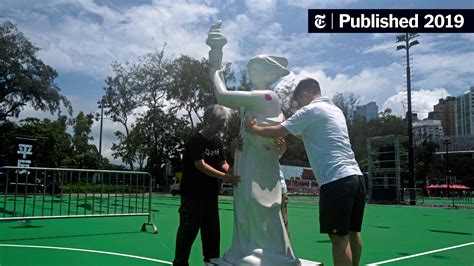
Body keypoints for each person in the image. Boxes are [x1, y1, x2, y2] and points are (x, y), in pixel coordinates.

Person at [206, 21, 301, 265]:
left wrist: (215, 68)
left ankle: (266, 252)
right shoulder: (253, 102)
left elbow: (223, 96)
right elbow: (251, 132)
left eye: (256, 67)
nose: (251, 71)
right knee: (246, 202)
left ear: (269, 74)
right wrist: (239, 142)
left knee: (261, 201)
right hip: (249, 159)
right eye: (251, 67)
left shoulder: (267, 96)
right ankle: (246, 247)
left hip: (261, 164)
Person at [245, 78, 366, 266]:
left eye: (299, 102)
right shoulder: (335, 110)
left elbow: (278, 131)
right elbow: (308, 134)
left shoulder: (310, 110)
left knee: (338, 239)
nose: (299, 106)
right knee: (353, 232)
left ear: (305, 95)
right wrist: (289, 124)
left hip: (336, 180)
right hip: (356, 178)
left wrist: (254, 128)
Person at [173, 105, 240, 266]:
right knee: (188, 233)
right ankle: (180, 263)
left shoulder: (217, 141)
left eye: (223, 123)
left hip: (210, 196)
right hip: (192, 197)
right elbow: (200, 165)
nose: (221, 126)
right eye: (219, 123)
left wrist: (231, 167)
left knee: (212, 234)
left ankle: (211, 263)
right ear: (209, 121)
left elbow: (222, 162)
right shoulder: (195, 141)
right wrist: (225, 177)